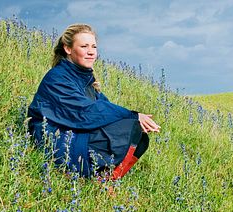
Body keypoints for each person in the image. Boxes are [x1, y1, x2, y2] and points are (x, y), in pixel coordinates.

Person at [27, 23, 160, 180]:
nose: (91, 52)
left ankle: (106, 181)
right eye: (84, 46)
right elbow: (85, 112)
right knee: (130, 127)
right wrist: (133, 116)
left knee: (140, 136)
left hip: (77, 133)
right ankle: (80, 174)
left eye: (94, 47)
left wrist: (133, 118)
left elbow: (106, 108)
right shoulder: (58, 78)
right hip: (56, 141)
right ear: (68, 49)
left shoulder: (84, 79)